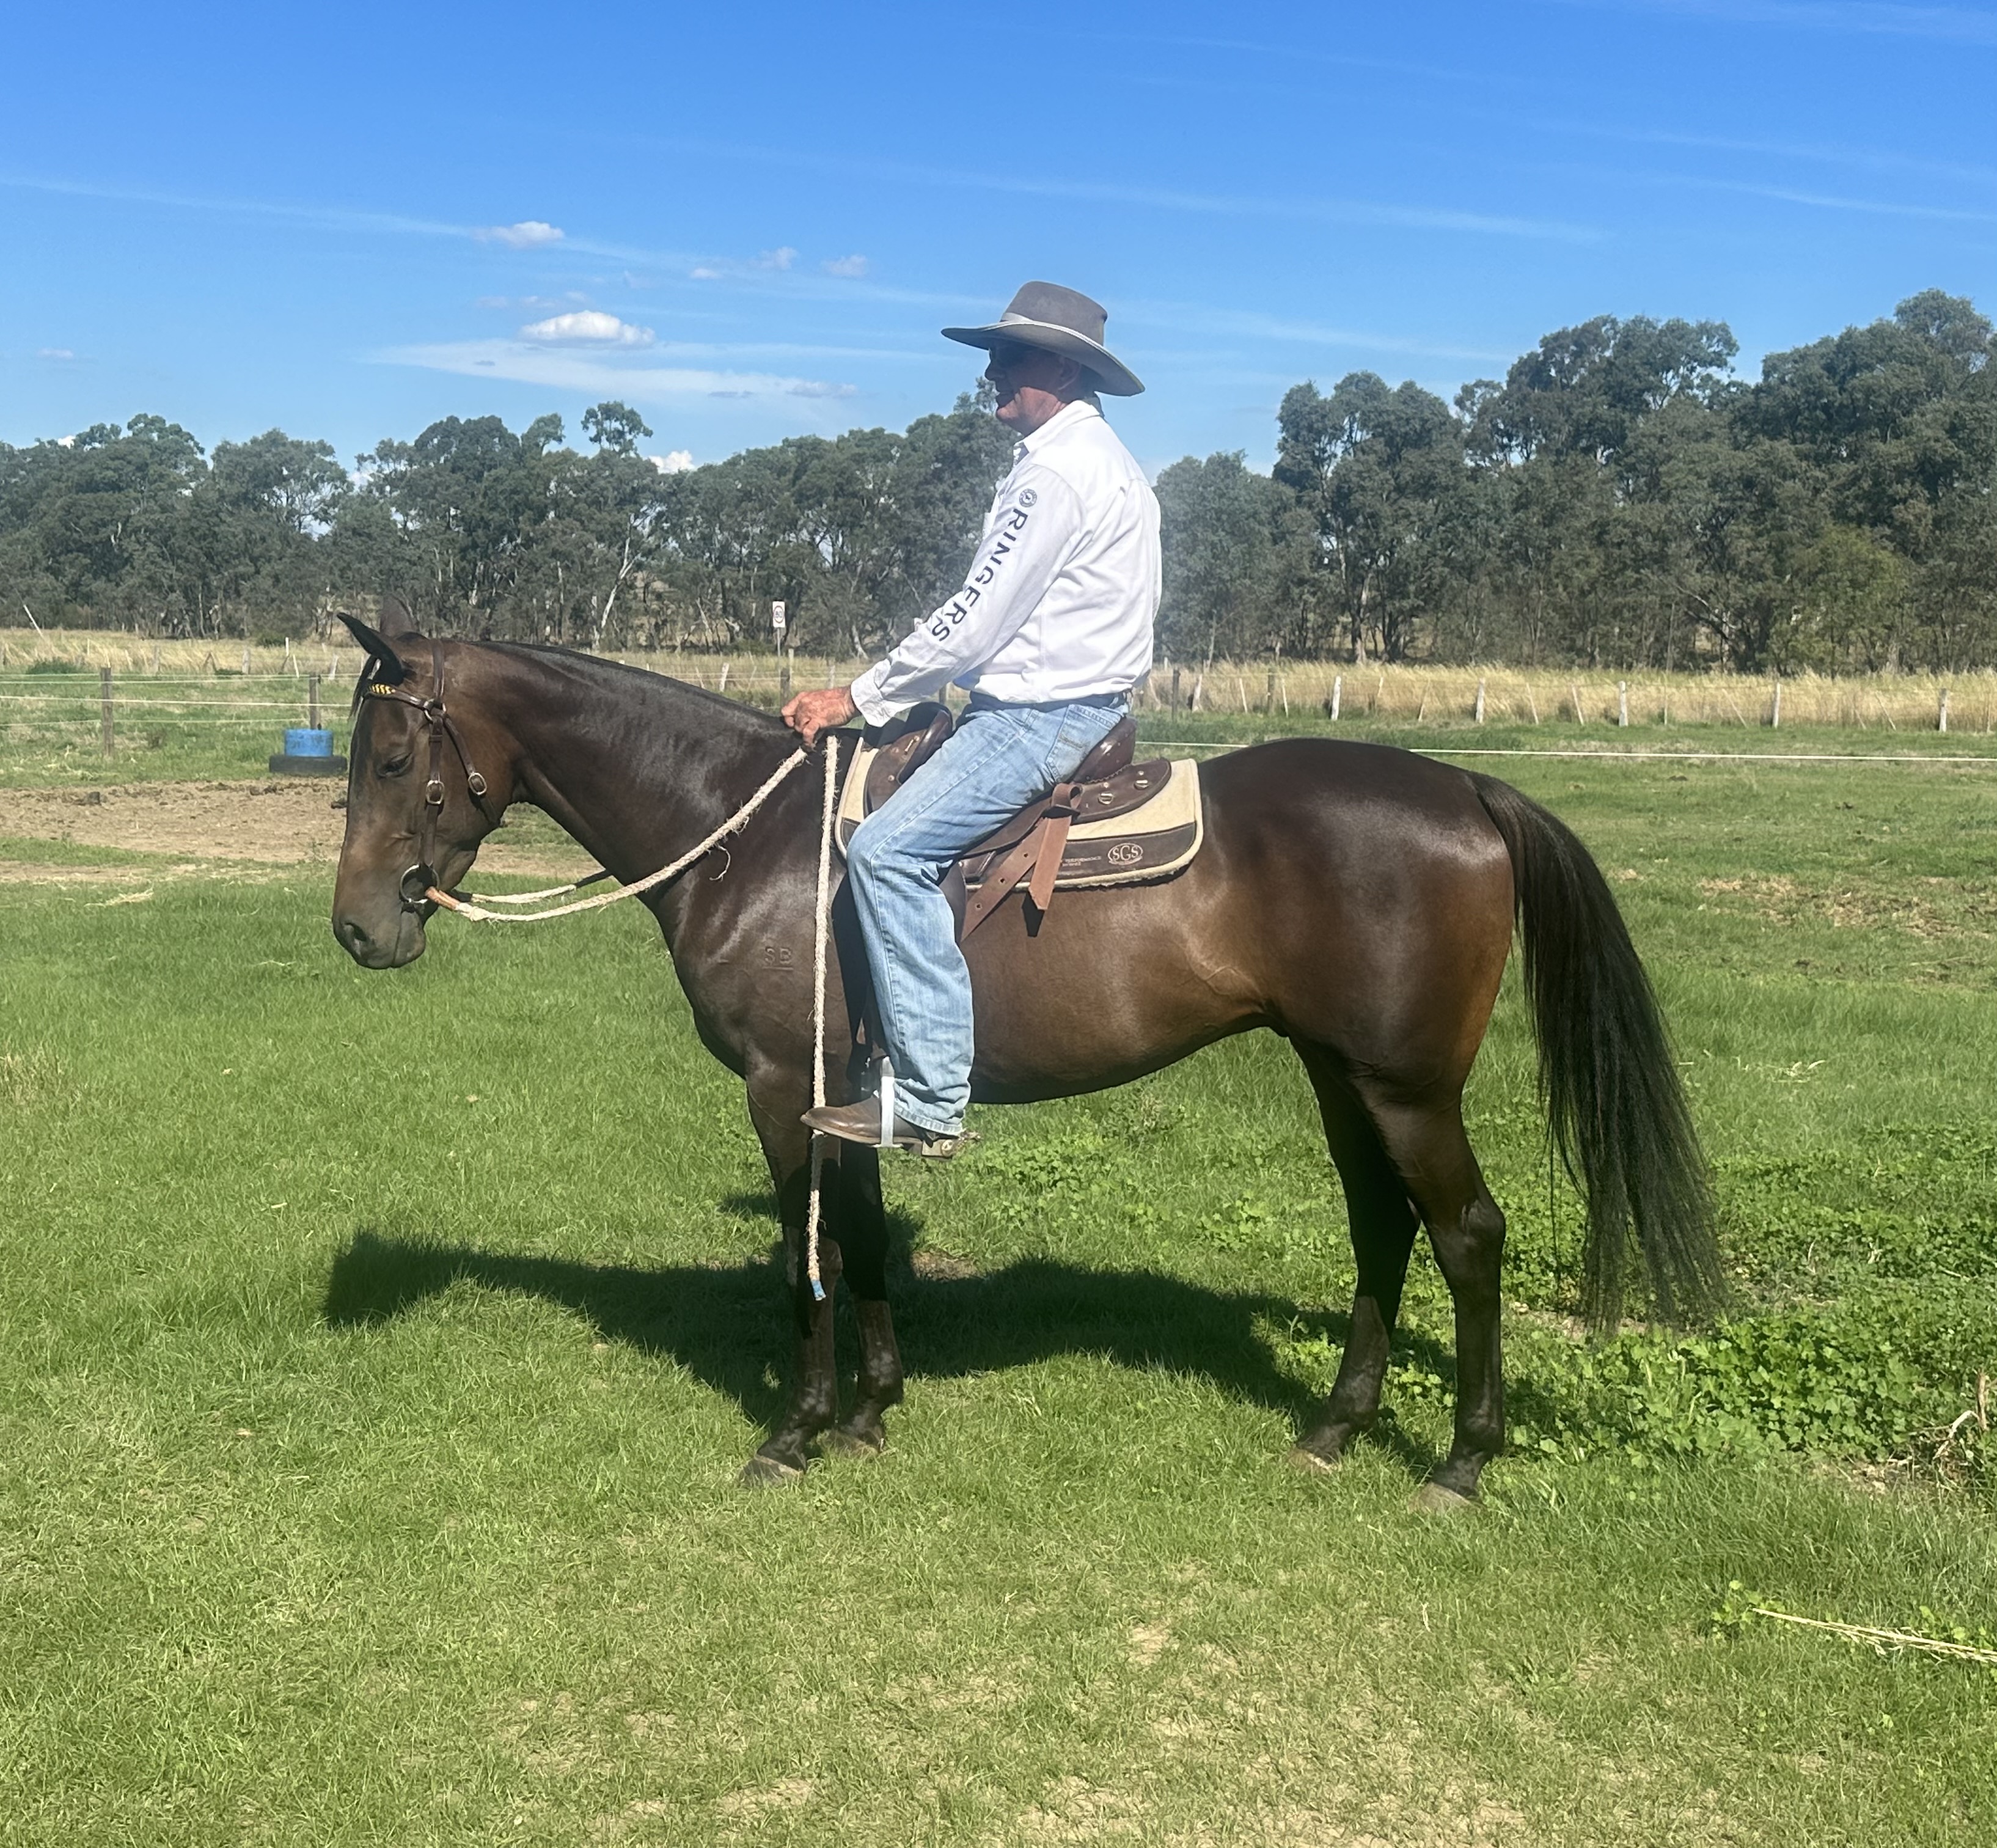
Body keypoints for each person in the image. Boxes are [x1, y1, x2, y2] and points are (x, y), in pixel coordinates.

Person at [782, 280, 1160, 1156]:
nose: (991, 372)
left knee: (887, 852)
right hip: (1078, 704)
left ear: (1062, 370)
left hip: (1037, 717)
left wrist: (859, 697)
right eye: (994, 355)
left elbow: (975, 617)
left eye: (1010, 356)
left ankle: (928, 1096)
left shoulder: (1056, 473)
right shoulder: (1102, 460)